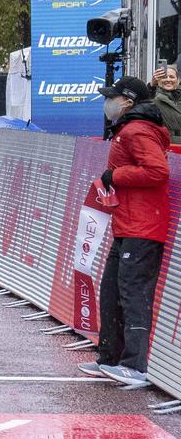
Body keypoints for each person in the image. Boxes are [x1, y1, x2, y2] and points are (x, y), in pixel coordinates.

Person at [75, 77, 170, 388]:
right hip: (129, 223)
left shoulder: (138, 129)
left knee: (133, 295)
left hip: (143, 226)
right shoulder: (130, 128)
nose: (108, 102)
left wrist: (116, 175)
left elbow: (158, 171)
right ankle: (110, 358)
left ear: (128, 101)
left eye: (112, 97)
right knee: (111, 291)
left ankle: (135, 365)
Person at [150, 65, 181, 142]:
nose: (168, 79)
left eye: (171, 77)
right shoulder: (154, 98)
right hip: (166, 146)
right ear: (158, 80)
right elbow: (144, 102)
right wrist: (151, 86)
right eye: (164, 77)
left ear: (178, 80)